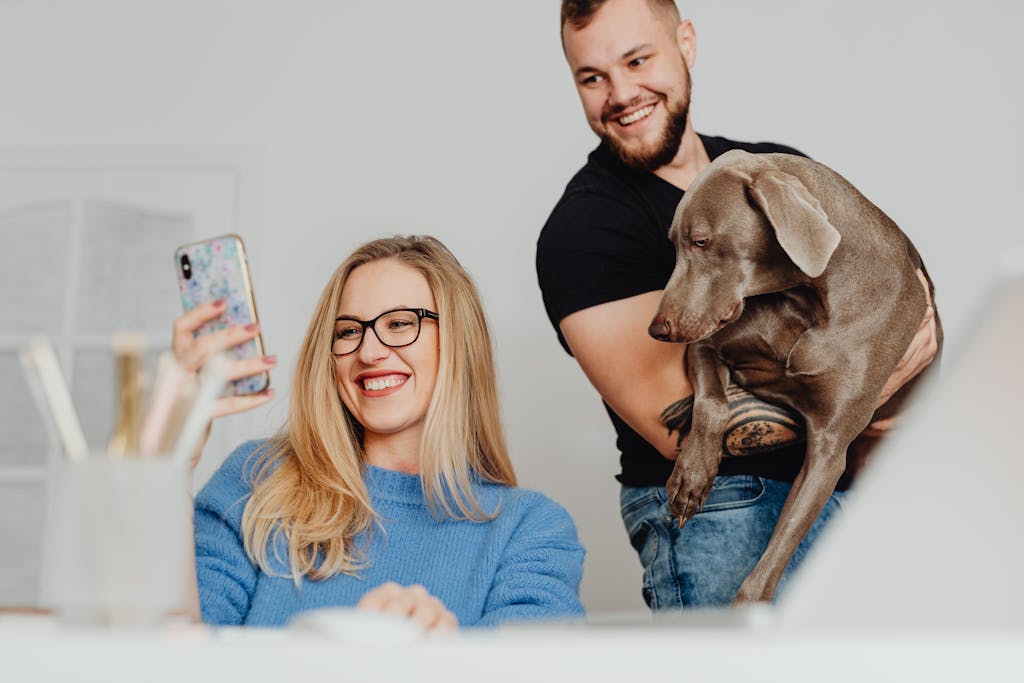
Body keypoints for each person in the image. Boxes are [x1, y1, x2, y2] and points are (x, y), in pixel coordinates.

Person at [535, 0, 938, 608]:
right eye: (592, 77)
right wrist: (882, 380)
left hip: (845, 491)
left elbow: (865, 298)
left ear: (686, 44)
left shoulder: (777, 172)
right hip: (722, 508)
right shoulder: (585, 228)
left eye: (637, 59)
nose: (620, 93)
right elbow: (678, 424)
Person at [173, 235, 585, 629]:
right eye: (349, 331)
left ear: (459, 341)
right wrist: (169, 470)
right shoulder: (254, 481)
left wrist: (442, 652)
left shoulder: (530, 529)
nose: (368, 352)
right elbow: (174, 654)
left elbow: (535, 669)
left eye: (401, 323)